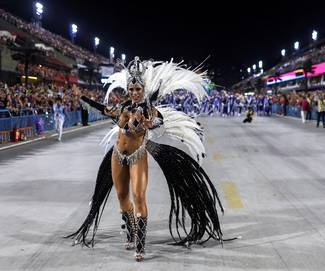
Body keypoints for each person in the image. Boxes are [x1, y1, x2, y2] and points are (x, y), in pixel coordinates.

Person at [66, 57, 234, 262]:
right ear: (128, 90)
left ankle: (140, 243)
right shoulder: (123, 108)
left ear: (143, 89)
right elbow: (103, 109)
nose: (135, 92)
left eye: (138, 89)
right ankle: (130, 229)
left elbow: (157, 121)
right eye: (132, 89)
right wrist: (82, 97)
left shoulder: (148, 109)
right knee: (121, 196)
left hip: (138, 155)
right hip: (117, 155)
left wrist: (150, 122)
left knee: (138, 196)